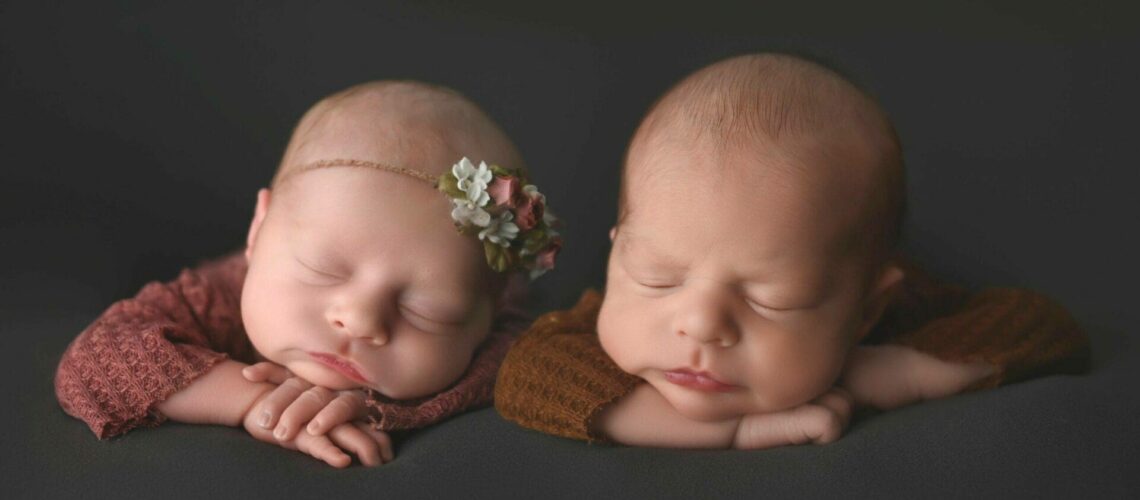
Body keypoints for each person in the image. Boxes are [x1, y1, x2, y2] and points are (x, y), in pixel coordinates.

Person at [494, 54, 1087, 448]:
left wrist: (894, 372)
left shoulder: (892, 321)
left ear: (865, 311)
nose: (700, 323)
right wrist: (735, 432)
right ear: (618, 254)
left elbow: (1044, 329)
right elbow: (526, 379)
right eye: (656, 278)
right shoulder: (585, 336)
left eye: (773, 300)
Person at [55, 80, 562, 466]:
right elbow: (94, 359)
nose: (361, 320)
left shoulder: (500, 322)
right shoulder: (217, 295)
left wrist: (383, 408)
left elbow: (513, 360)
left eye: (427, 311)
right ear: (260, 230)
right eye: (321, 269)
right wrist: (254, 400)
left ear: (486, 315)